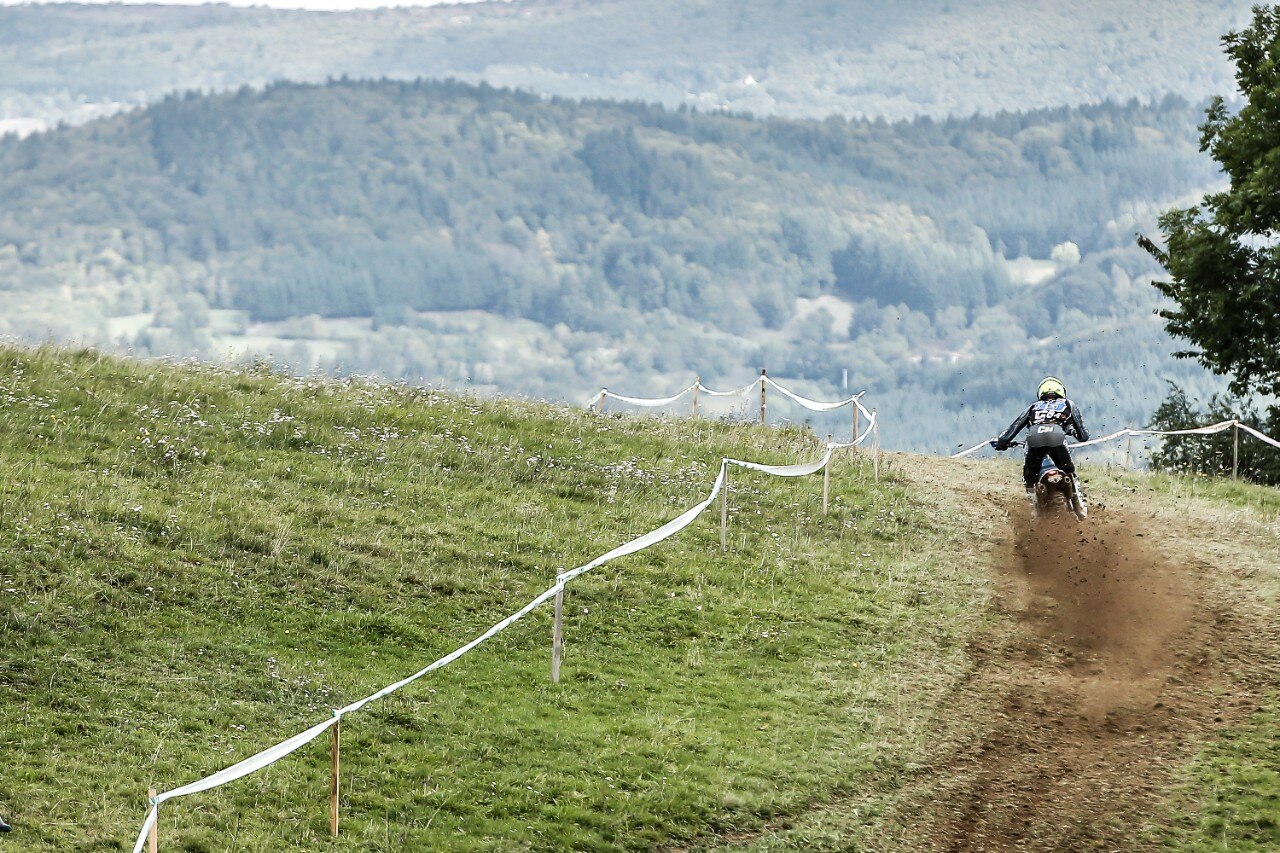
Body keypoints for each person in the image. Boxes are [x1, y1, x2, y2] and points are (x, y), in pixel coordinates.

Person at [993, 376, 1089, 508]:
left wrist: (1000, 443)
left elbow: (1012, 429)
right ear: (1061, 391)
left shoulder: (1033, 407)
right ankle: (1080, 506)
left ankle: (1034, 507)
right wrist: (1073, 432)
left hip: (1034, 441)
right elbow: (1084, 436)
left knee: (1029, 478)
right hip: (1057, 441)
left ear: (1041, 393)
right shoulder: (1068, 404)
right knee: (1068, 471)